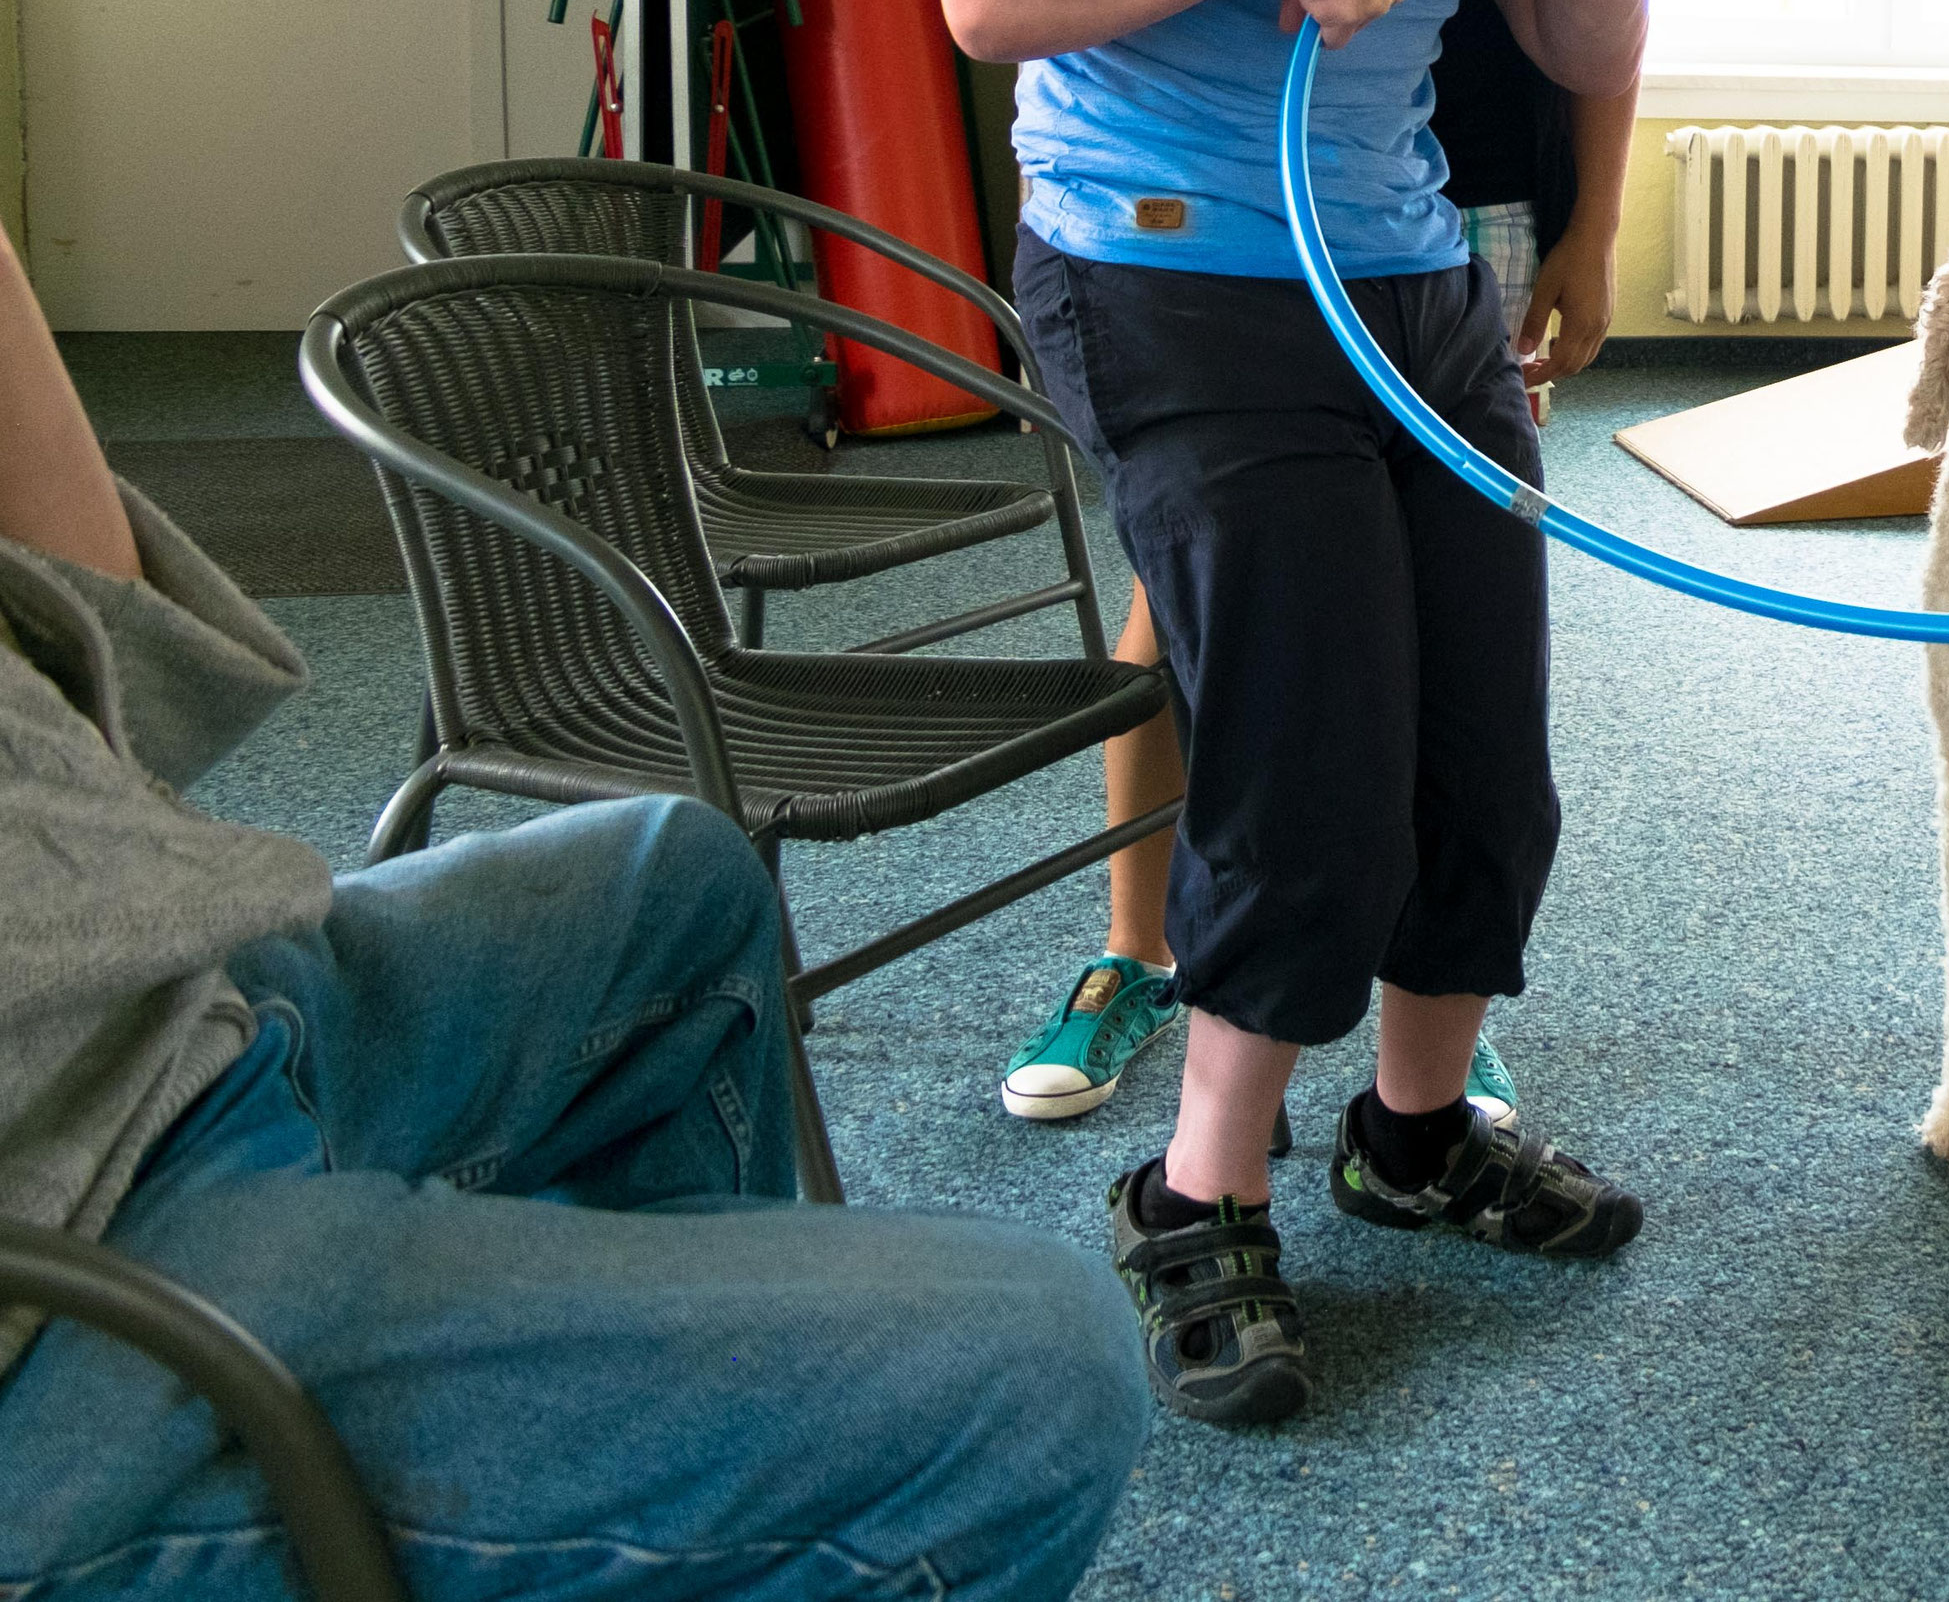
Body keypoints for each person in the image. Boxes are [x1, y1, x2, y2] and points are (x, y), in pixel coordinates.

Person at [0, 217, 1148, 1597]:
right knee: (1034, 1375)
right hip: (73, 1257)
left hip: (157, 1019)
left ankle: (641, 1488)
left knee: (679, 875)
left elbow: (116, 661)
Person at [941, 0, 1665, 1428]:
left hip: (1404, 270)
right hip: (1171, 259)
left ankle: (1417, 1138)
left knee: (1484, 749)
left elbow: (1574, 37)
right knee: (1311, 741)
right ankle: (1200, 1186)